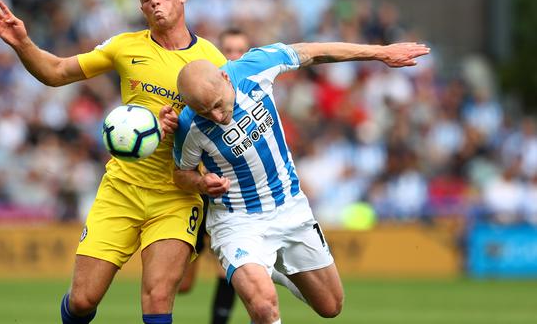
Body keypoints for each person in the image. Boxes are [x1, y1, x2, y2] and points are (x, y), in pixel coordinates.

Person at [0, 0, 227, 324]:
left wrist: (184, 129)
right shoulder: (125, 47)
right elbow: (56, 72)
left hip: (176, 193)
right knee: (82, 301)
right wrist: (22, 43)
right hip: (122, 188)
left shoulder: (213, 61)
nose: (153, 1)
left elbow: (224, 124)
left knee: (159, 297)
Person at [161, 41, 430, 323]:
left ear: (226, 78)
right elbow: (181, 174)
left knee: (331, 306)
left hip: (290, 207)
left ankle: (271, 269)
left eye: (217, 105)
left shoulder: (253, 68)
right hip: (238, 221)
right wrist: (202, 183)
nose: (216, 116)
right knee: (264, 307)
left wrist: (380, 53)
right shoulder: (189, 125)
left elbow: (314, 52)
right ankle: (256, 270)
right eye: (205, 112)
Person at [177, 28, 251, 324]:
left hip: (232, 196)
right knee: (182, 284)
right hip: (196, 193)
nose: (234, 56)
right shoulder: (199, 99)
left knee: (230, 270)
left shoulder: (251, 94)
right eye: (228, 50)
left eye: (240, 51)